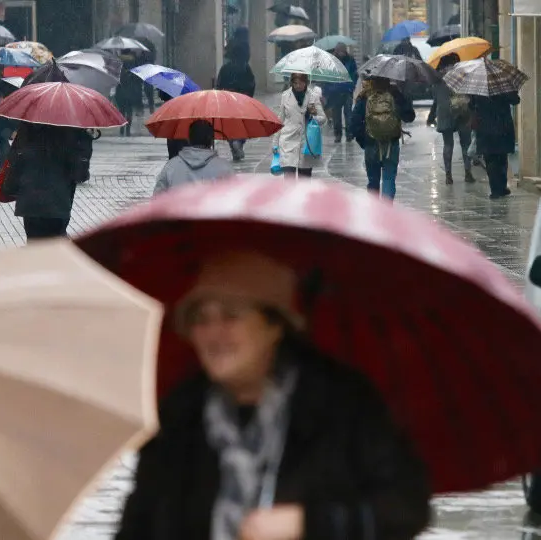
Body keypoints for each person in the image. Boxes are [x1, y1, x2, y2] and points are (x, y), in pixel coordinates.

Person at [114, 252, 432, 540]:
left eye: (231, 316)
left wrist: (307, 523)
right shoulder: (180, 417)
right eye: (201, 318)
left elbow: (407, 508)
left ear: (274, 326)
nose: (214, 333)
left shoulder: (340, 404)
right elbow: (138, 525)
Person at [1, 123, 93, 240]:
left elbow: (15, 160)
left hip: (30, 200)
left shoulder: (28, 127)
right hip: (58, 201)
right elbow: (80, 174)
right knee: (54, 247)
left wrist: (10, 186)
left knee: (34, 247)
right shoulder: (72, 131)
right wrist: (87, 139)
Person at [351, 77, 415, 200]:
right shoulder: (395, 94)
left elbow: (354, 123)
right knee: (389, 179)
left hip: (371, 143)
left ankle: (375, 212)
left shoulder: (365, 96)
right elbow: (409, 116)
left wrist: (363, 141)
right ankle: (387, 213)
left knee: (373, 181)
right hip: (391, 144)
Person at [427, 54, 475, 185]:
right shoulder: (463, 74)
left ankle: (448, 175)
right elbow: (470, 94)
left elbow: (436, 100)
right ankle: (468, 172)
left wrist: (431, 117)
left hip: (445, 112)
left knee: (448, 144)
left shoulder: (437, 79)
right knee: (465, 143)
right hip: (462, 110)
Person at [153, 120, 235, 195]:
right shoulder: (225, 168)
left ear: (188, 139)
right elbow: (236, 199)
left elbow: (157, 201)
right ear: (211, 140)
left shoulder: (171, 166)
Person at [272, 73, 326, 177]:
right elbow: (280, 119)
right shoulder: (285, 95)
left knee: (304, 179)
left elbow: (323, 119)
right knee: (289, 178)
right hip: (288, 140)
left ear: (306, 82)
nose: (298, 86)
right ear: (291, 82)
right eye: (295, 83)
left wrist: (312, 116)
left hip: (306, 141)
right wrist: (275, 142)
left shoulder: (313, 97)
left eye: (301, 83)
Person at [470, 91, 520, 199]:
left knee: (490, 159)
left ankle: (495, 189)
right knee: (501, 158)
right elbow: (516, 100)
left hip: (485, 128)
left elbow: (471, 105)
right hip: (502, 127)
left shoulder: (478, 88)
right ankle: (501, 188)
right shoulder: (503, 87)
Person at [215, 43, 256, 161]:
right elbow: (252, 84)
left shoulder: (225, 68)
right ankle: (238, 142)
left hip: (227, 100)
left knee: (229, 124)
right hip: (242, 100)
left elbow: (219, 84)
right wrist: (248, 96)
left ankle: (233, 144)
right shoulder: (246, 67)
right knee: (243, 124)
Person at [322, 43, 358, 143]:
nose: (342, 53)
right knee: (336, 115)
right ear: (336, 51)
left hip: (347, 91)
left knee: (348, 114)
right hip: (335, 92)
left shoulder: (350, 59)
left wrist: (352, 86)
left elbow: (355, 74)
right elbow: (326, 76)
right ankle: (338, 134)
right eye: (340, 51)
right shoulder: (331, 61)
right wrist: (326, 91)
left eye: (343, 51)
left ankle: (349, 134)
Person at [116, 52, 143, 137]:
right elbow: (138, 81)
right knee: (129, 112)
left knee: (122, 112)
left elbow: (116, 81)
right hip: (131, 93)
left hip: (121, 93)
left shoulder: (119, 68)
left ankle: (122, 130)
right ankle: (127, 131)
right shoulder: (134, 66)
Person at [159, 90, 189, 159]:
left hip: (172, 116)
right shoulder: (188, 88)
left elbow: (162, 96)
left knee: (173, 147)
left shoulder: (170, 83)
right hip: (183, 118)